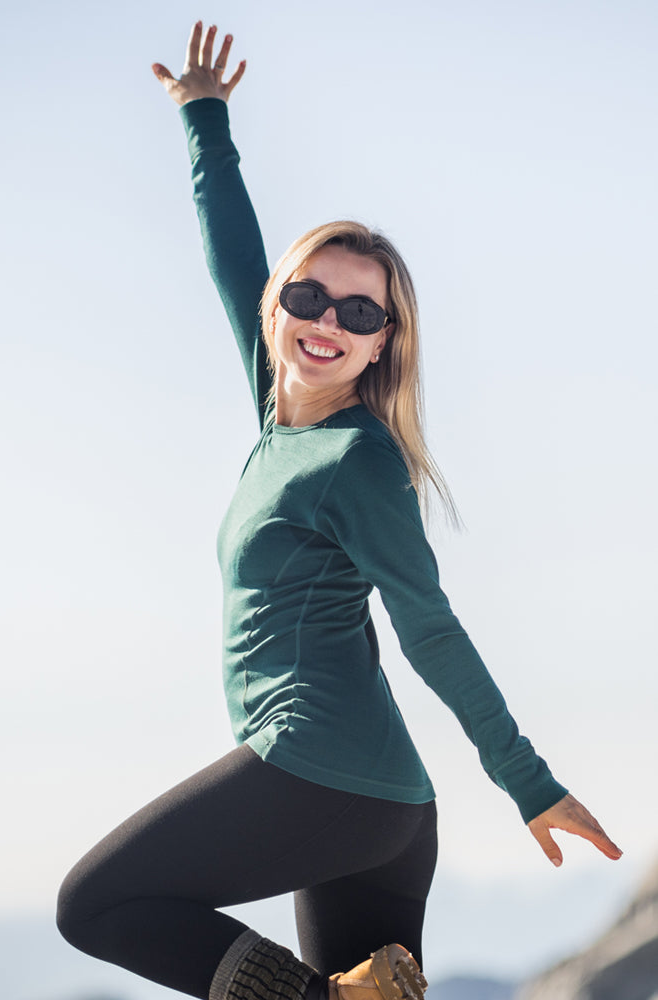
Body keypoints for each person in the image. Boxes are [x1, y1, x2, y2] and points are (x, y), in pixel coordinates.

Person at [56, 20, 622, 1000]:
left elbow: (429, 628)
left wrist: (528, 781)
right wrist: (203, 116)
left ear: (380, 345)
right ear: (280, 304)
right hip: (380, 809)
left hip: (321, 775)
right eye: (312, 296)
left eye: (359, 313)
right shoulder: (278, 412)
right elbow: (230, 249)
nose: (328, 321)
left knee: (94, 904)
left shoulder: (358, 462)